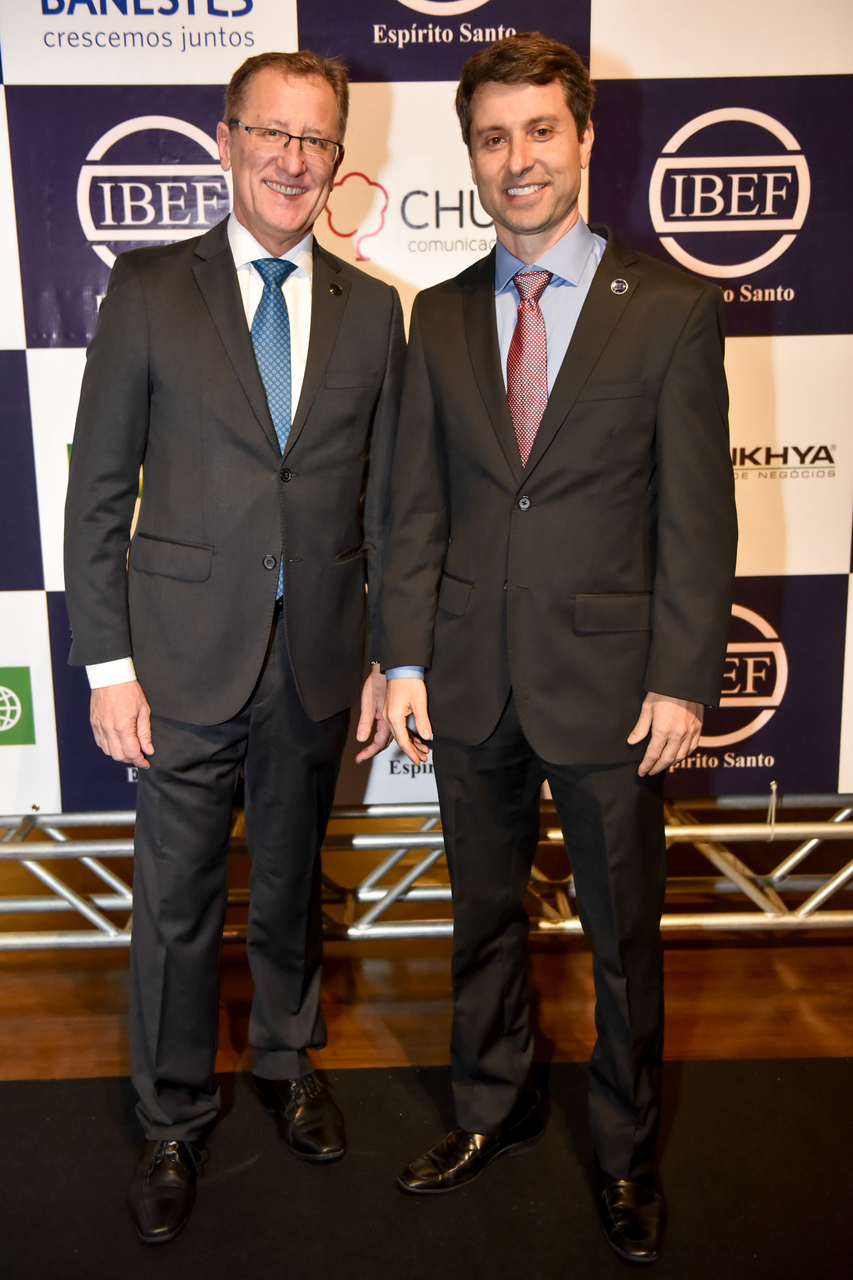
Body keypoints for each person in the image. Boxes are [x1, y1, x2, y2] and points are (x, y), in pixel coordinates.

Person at [381, 32, 736, 1266]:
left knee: (621, 939)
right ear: (470, 156)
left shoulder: (675, 310)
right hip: (470, 680)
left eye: (540, 131)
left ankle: (627, 1151)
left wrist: (684, 675)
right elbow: (414, 507)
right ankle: (493, 1103)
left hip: (611, 691)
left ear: (583, 140)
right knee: (480, 916)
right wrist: (407, 658)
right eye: (493, 137)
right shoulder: (436, 317)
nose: (517, 158)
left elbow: (697, 512)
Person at [64, 50, 403, 1245]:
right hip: (177, 661)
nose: (291, 159)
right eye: (271, 133)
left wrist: (384, 654)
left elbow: (384, 503)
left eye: (315, 141)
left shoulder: (375, 312)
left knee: (291, 888)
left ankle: (285, 1056)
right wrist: (107, 666)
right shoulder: (151, 289)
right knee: (175, 899)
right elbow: (97, 489)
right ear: (225, 141)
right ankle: (170, 1112)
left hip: (316, 656)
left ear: (336, 160)